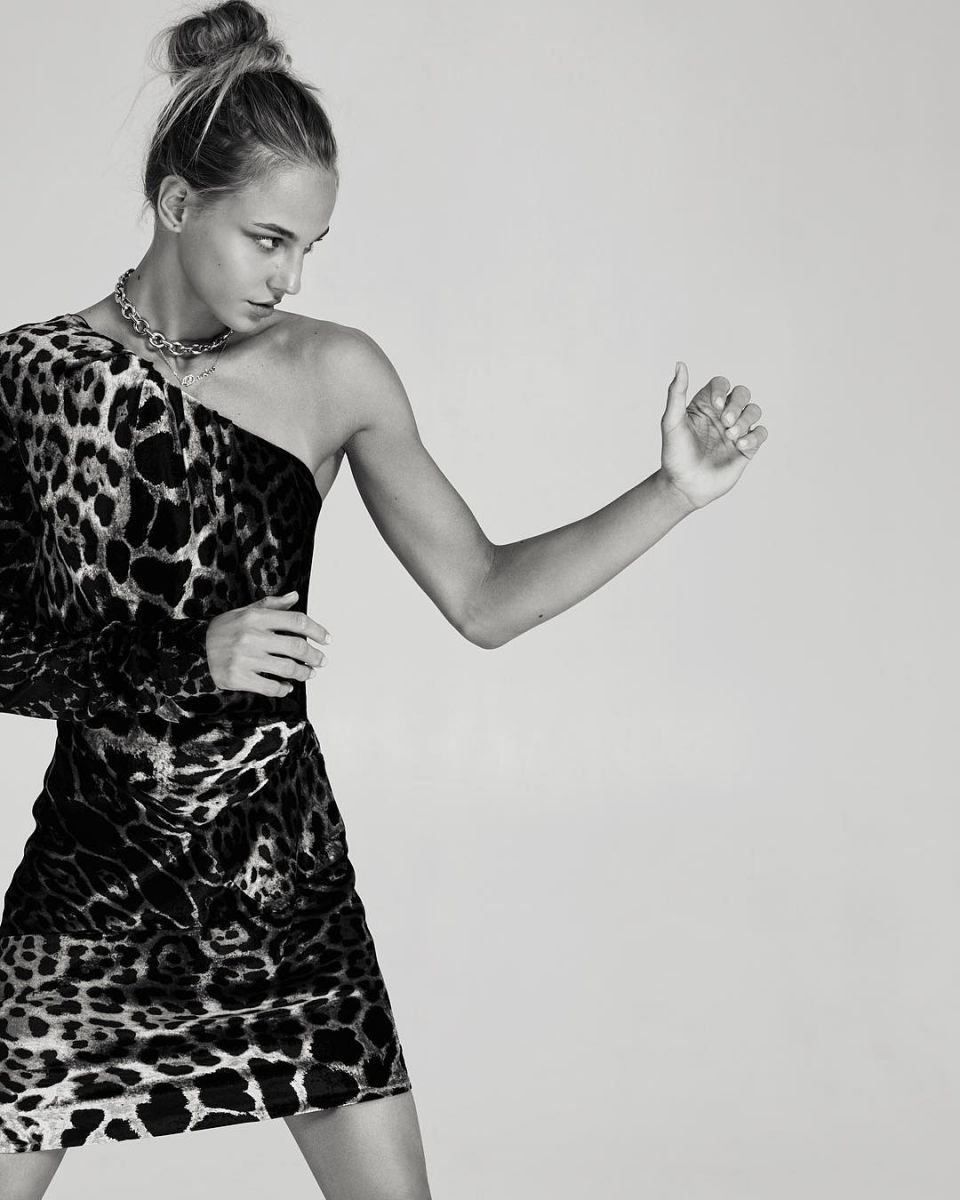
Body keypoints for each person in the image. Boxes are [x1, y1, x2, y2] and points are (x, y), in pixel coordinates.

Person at [0, 2, 767, 1197]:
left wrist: (671, 492)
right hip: (91, 880)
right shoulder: (34, 378)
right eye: (267, 238)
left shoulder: (332, 372)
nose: (288, 276)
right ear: (177, 202)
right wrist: (187, 657)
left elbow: (485, 596)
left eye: (309, 246)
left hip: (281, 877)